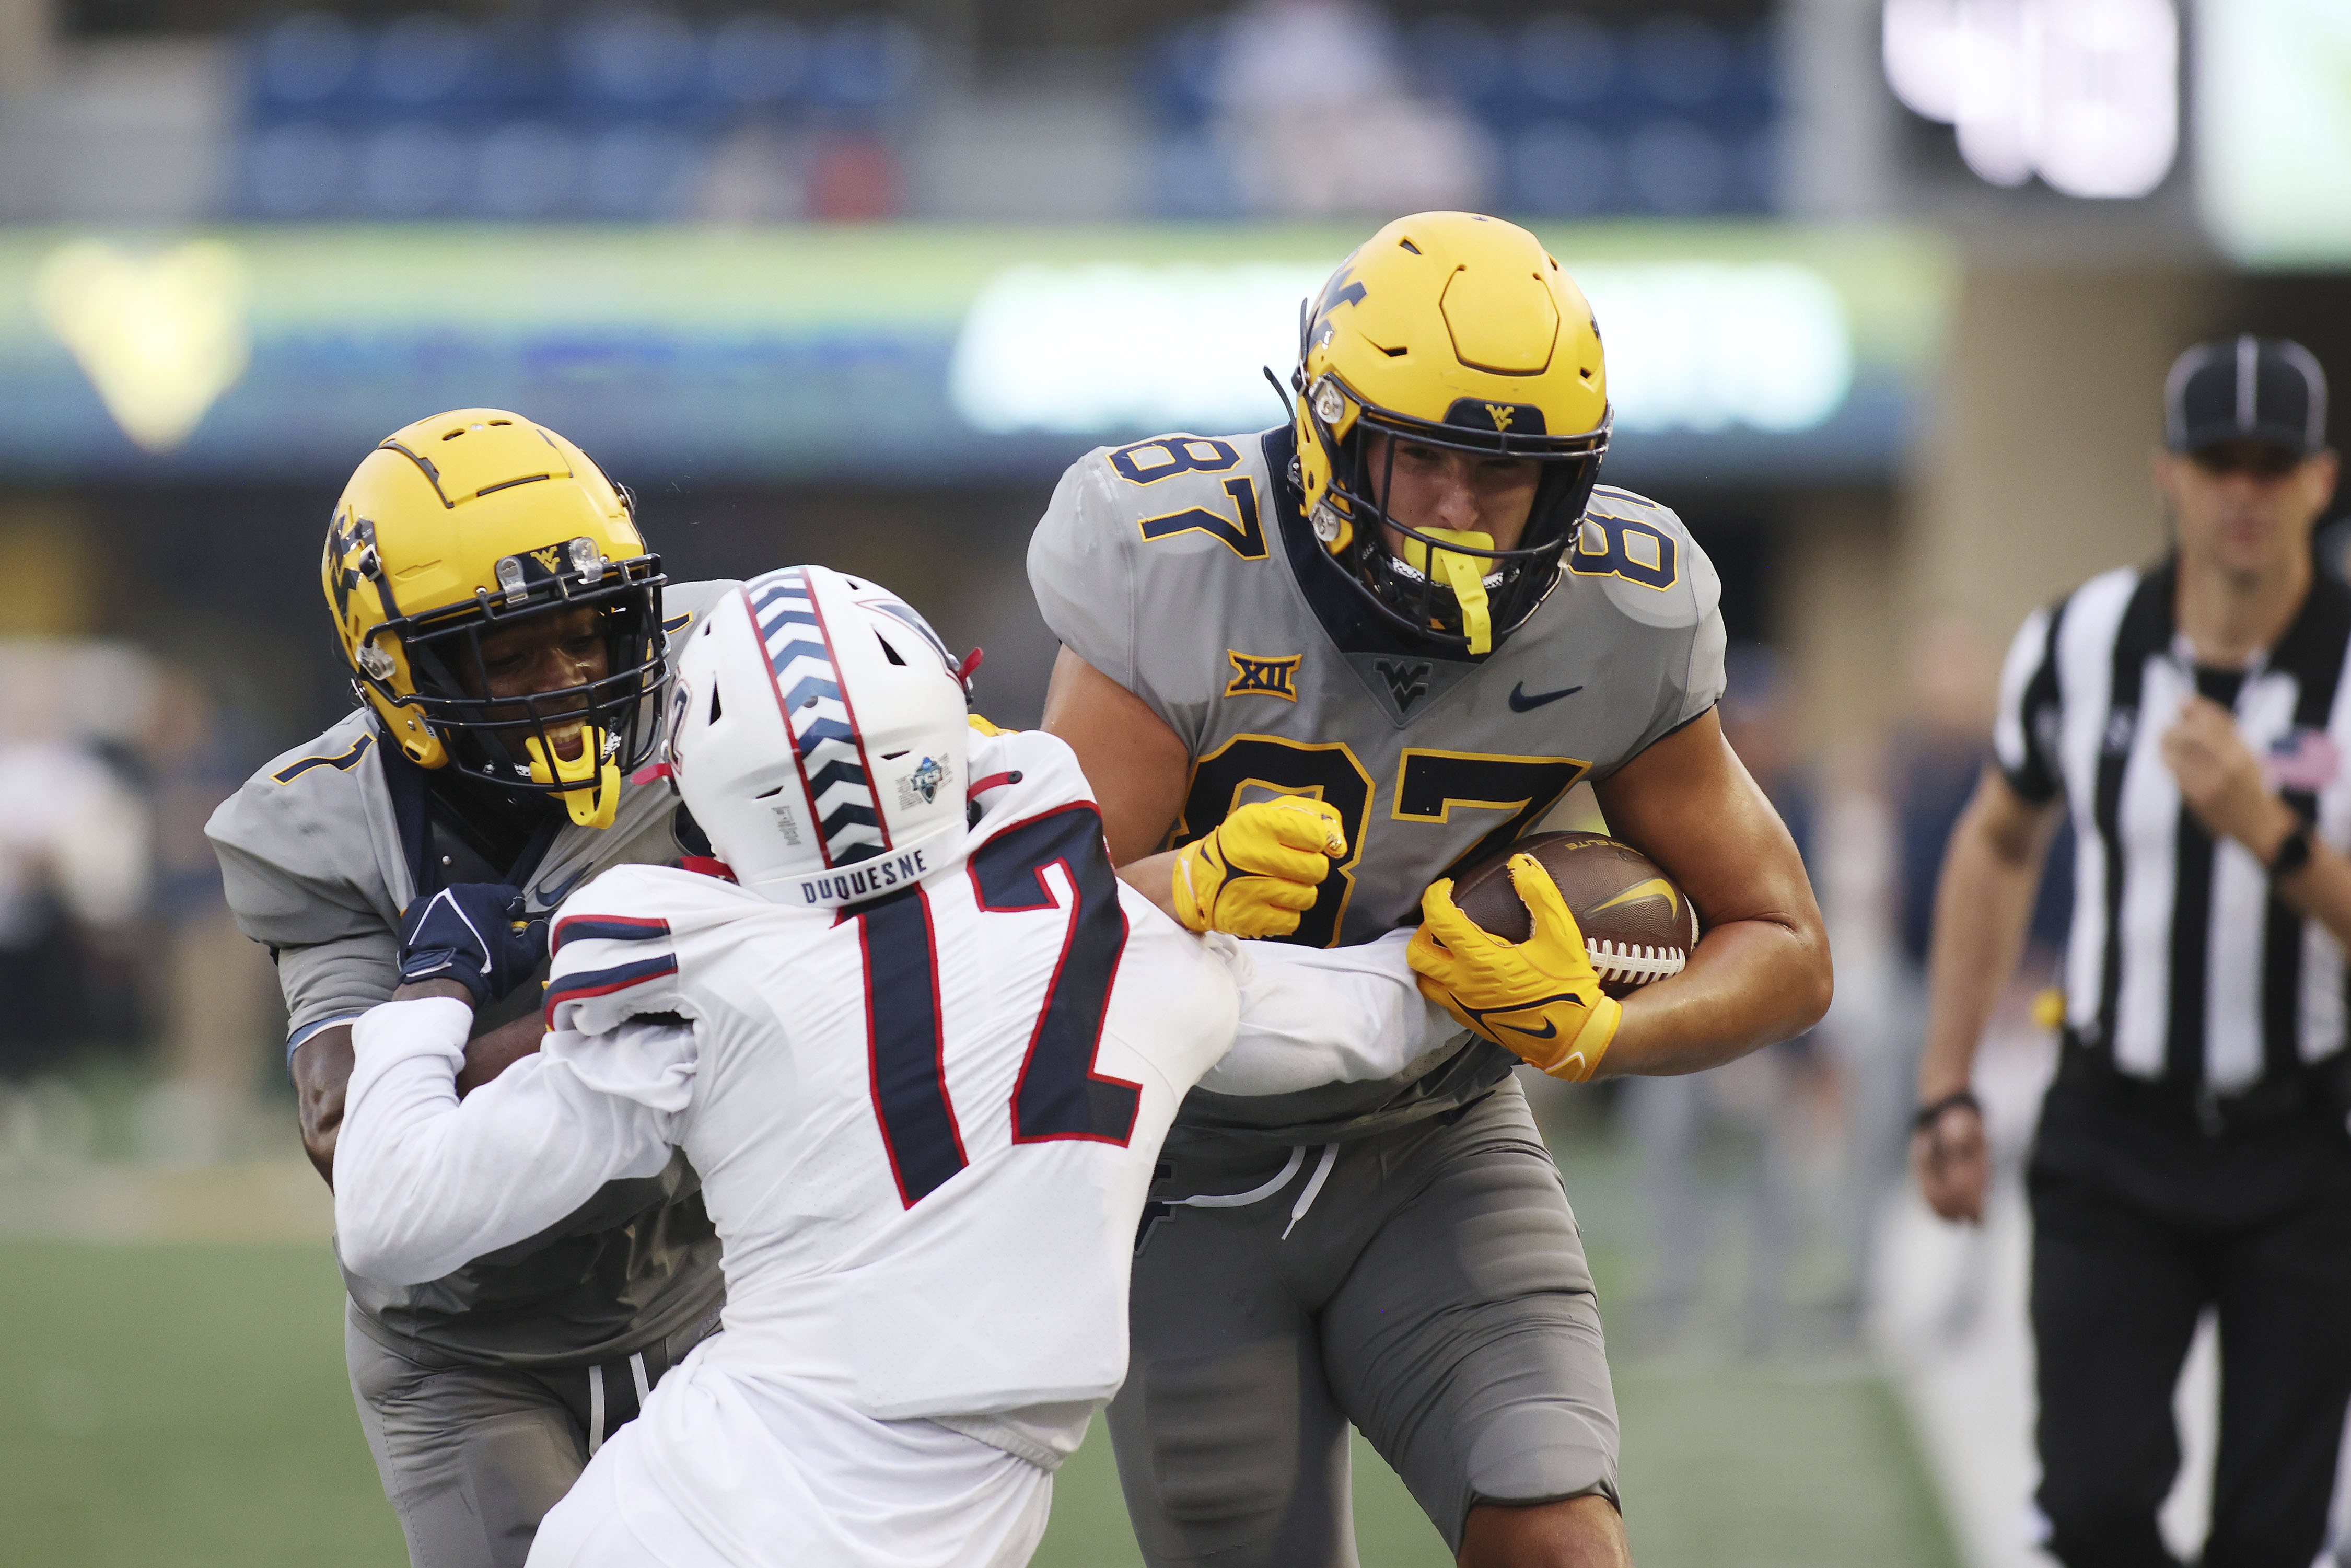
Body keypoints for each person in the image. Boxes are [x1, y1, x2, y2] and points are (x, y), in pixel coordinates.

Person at [327, 565, 1470, 1567]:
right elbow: (1376, 1019)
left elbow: (390, 1213)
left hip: (691, 1508)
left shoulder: (704, 987)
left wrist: (427, 994)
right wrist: (1509, 955)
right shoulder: (1124, 948)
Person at [1029, 211, 1830, 1566]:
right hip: (1190, 1162)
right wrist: (1181, 881)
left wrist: (1600, 1031)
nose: (1459, 509)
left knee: (1556, 1534)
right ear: (1337, 433)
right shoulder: (1171, 559)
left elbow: (1787, 944)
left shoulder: (1623, 612)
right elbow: (1020, 937)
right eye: (1426, 461)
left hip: (1436, 1137)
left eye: (1501, 475)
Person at [205, 409, 738, 1568]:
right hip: (470, 1346)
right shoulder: (318, 824)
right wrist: (616, 996)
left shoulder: (725, 682)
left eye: (590, 633)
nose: (570, 677)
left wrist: (491, 1019)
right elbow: (356, 1138)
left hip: (712, 1287)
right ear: (407, 673)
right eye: (511, 652)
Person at [1911, 336, 2351, 1568]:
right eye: (2222, 462)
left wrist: (2270, 831)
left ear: (2323, 479)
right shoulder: (2081, 641)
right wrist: (1946, 1082)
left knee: (2276, 1537)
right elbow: (1996, 844)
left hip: (2303, 1141)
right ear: (2170, 474)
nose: (2247, 491)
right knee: (2093, 1508)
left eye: (2276, 464)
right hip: (2114, 1131)